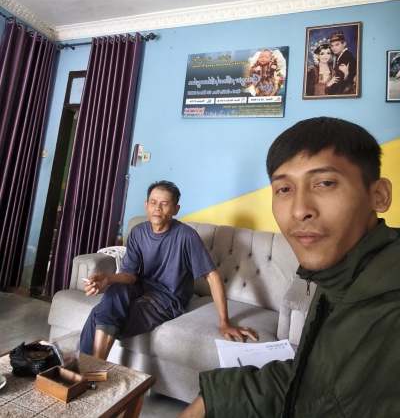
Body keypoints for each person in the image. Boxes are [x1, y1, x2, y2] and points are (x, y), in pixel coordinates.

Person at [178, 117, 399, 418]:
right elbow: (314, 379)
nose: (299, 210)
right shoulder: (337, 280)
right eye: (284, 189)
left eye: (324, 183)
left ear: (379, 195)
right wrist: (213, 398)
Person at [79, 180, 258, 359]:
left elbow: (212, 276)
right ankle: (90, 369)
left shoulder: (186, 236)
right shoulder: (138, 232)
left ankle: (87, 369)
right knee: (114, 292)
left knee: (100, 314)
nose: (157, 208)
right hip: (141, 287)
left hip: (169, 299)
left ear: (175, 209)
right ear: (146, 205)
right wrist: (108, 279)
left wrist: (225, 322)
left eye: (164, 204)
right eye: (153, 202)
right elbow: (130, 276)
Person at [327, 31, 357, 95]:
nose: (334, 48)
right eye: (332, 45)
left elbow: (338, 81)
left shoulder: (347, 56)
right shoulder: (339, 56)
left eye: (337, 45)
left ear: (344, 44)